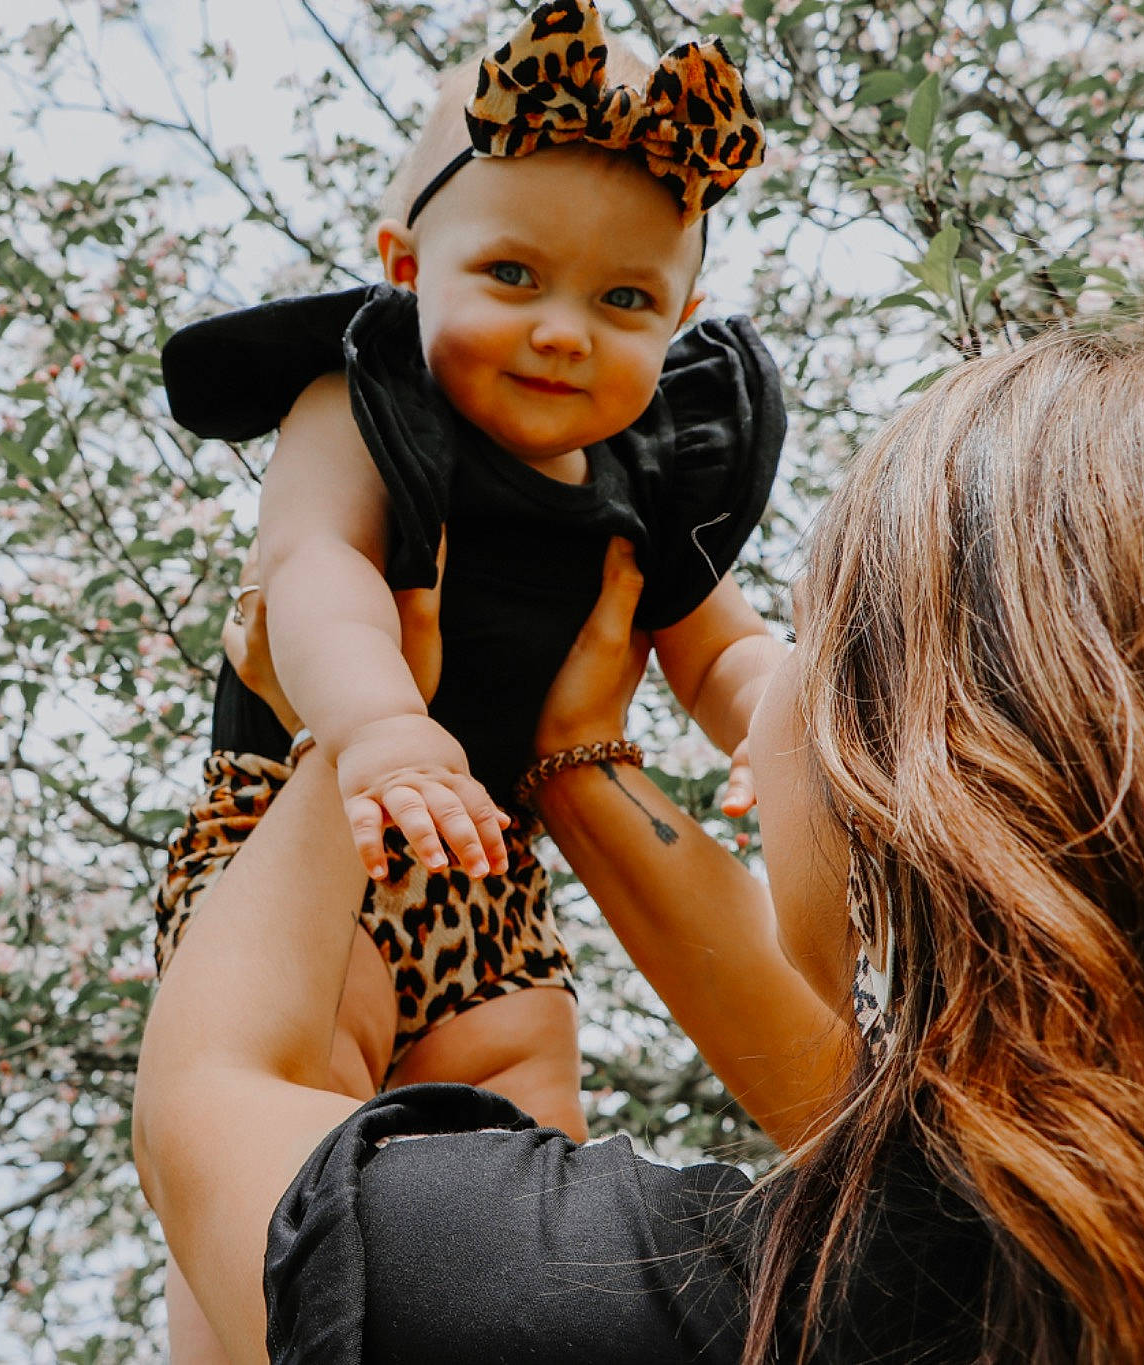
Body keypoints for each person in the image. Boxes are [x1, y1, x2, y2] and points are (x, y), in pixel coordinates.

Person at [134, 324, 1144, 1363]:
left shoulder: (670, 1308)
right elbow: (919, 1121)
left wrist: (353, 733)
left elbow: (211, 1112)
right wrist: (579, 770)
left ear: (915, 764)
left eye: (805, 635)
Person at [155, 0, 782, 1150]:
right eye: (510, 273)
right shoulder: (366, 397)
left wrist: (785, 716)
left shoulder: (653, 476)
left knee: (527, 1132)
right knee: (289, 1144)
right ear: (404, 268)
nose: (562, 331)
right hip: (303, 832)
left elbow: (719, 647)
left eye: (623, 299)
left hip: (486, 877)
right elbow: (312, 567)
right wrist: (381, 723)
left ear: (682, 316)